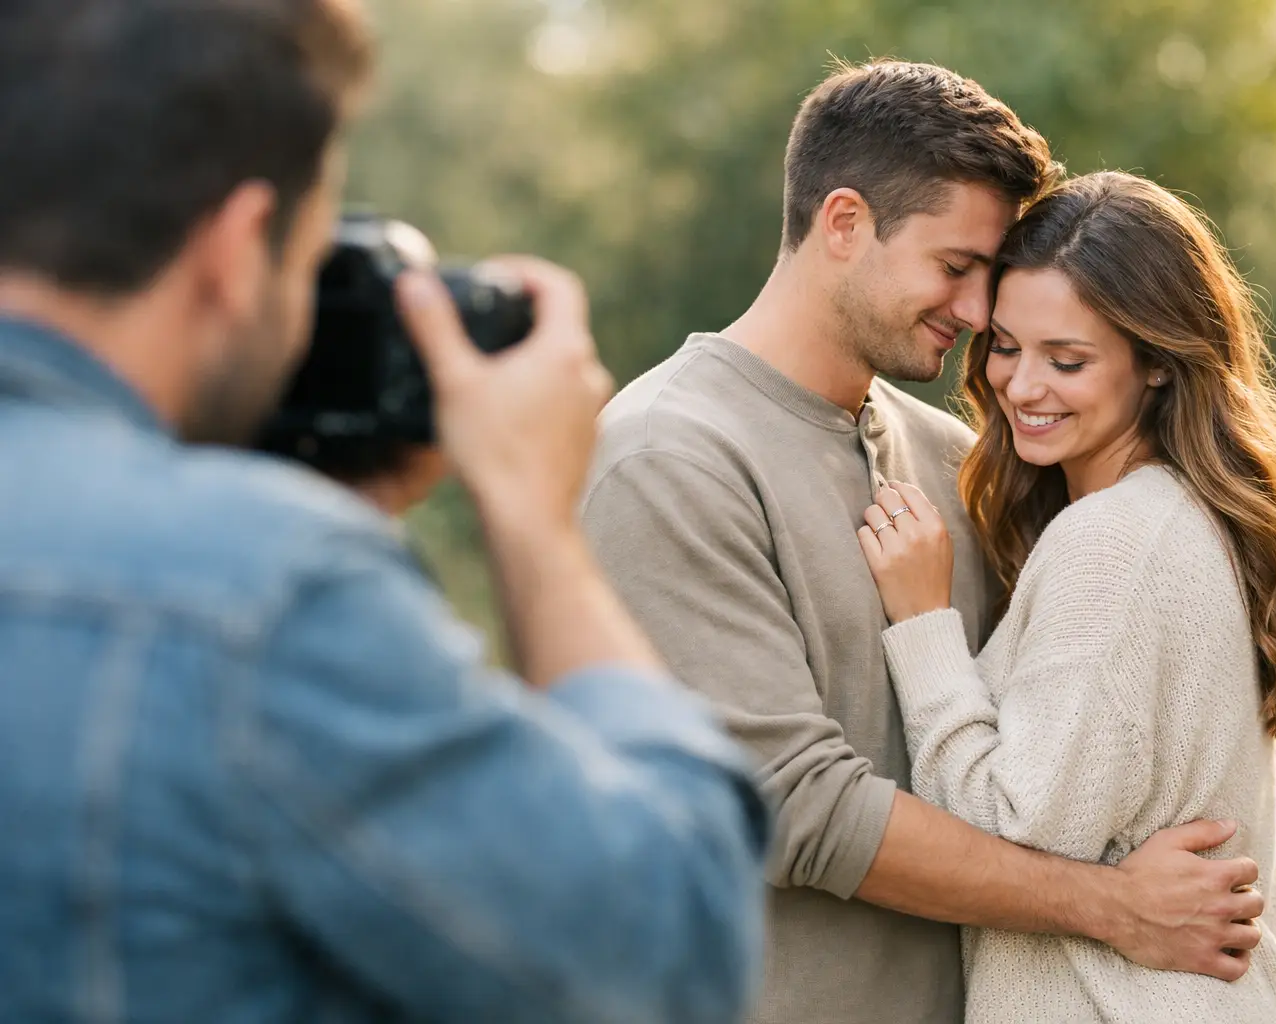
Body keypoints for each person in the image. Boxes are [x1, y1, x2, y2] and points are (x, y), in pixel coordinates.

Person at [0, 2, 767, 1022]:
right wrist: (534, 517)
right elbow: (675, 946)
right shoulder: (260, 593)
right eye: (307, 258)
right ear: (233, 253)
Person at [582, 60, 1276, 1024]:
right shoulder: (669, 458)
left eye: (989, 276)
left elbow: (1092, 738)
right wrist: (1119, 911)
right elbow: (791, 807)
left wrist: (1246, 942)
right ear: (844, 224)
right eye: (956, 268)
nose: (982, 312)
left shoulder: (964, 459)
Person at [858, 170, 1276, 1021]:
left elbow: (1011, 833)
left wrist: (923, 625)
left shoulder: (1113, 541)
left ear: (1156, 365)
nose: (1020, 387)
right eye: (1007, 346)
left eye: (1069, 360)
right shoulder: (1186, 518)